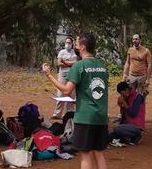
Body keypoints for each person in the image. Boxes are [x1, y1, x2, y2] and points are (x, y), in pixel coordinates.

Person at [42, 33, 109, 169]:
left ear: (83, 47)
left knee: (85, 154)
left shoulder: (79, 66)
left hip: (85, 117)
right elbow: (96, 90)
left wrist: (49, 75)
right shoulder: (102, 66)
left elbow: (66, 90)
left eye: (77, 43)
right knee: (98, 153)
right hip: (101, 116)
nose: (74, 45)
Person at [109, 81, 145, 146]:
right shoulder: (127, 97)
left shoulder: (137, 97)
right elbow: (123, 115)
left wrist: (124, 103)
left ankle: (136, 135)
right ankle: (129, 138)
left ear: (126, 90)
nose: (121, 95)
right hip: (128, 125)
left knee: (116, 130)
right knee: (111, 132)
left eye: (122, 93)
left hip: (136, 126)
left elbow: (133, 113)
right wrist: (121, 105)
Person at [52, 37, 78, 119]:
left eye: (69, 42)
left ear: (72, 44)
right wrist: (69, 63)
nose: (68, 44)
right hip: (62, 75)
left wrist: (65, 62)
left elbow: (75, 63)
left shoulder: (74, 53)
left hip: (72, 75)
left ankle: (70, 113)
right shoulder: (61, 52)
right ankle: (57, 114)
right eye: (66, 42)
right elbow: (59, 63)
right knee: (60, 94)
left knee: (71, 95)